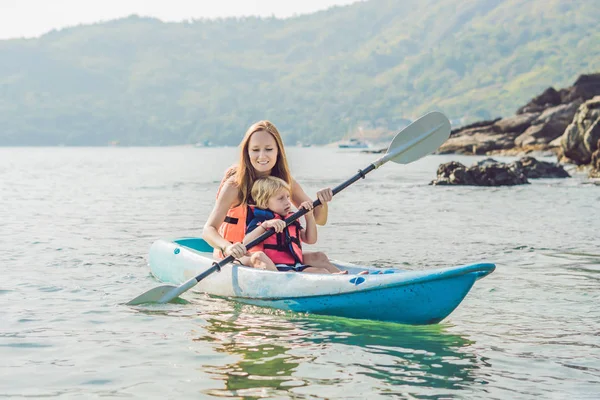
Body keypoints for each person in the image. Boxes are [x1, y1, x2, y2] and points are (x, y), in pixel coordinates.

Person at [202, 120, 336, 269]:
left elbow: (319, 219)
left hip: (275, 256)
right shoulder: (235, 186)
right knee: (259, 258)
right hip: (240, 257)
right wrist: (227, 247)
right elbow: (208, 230)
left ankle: (350, 281)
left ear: (278, 151)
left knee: (319, 258)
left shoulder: (283, 182)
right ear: (247, 152)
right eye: (255, 150)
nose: (262, 156)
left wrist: (322, 202)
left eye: (268, 149)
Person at [240, 176, 347, 274]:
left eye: (288, 197)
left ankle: (343, 278)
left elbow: (311, 240)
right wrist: (265, 226)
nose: (287, 202)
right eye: (281, 198)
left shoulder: (290, 219)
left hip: (294, 265)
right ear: (264, 203)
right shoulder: (260, 221)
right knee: (259, 256)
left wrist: (309, 216)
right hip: (275, 268)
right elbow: (246, 242)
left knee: (320, 261)